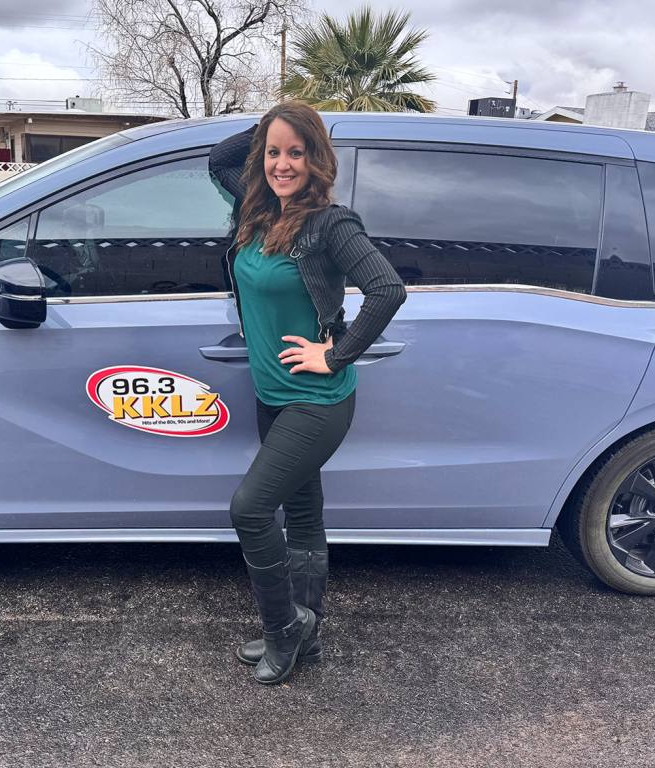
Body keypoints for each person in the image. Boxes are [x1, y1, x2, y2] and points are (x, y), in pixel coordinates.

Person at [209, 101, 408, 685]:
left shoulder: (330, 223)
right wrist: (279, 116)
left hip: (316, 403)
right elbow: (219, 159)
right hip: (271, 395)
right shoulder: (255, 211)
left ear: (317, 158)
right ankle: (307, 628)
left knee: (248, 507)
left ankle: (282, 628)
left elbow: (386, 290)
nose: (282, 164)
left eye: (297, 152)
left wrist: (336, 353)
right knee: (301, 511)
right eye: (273, 152)